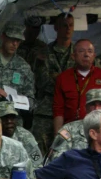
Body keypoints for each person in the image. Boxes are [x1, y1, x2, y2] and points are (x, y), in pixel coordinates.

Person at [52, 39, 101, 132]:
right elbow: (58, 109)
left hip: (99, 131)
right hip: (71, 130)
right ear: (73, 56)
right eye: (81, 51)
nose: (86, 54)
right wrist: (58, 135)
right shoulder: (63, 78)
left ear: (94, 56)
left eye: (90, 51)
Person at [32, 12, 76, 154]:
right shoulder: (44, 52)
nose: (68, 28)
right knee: (40, 151)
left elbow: (78, 83)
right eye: (64, 25)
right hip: (45, 110)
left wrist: (58, 78)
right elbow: (41, 81)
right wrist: (65, 79)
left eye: (71, 25)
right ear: (56, 28)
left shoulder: (79, 52)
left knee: (68, 150)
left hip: (70, 110)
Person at [46, 88, 101, 164]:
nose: (97, 108)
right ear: (86, 108)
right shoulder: (69, 130)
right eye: (92, 105)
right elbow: (56, 162)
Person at [0, 21, 35, 128]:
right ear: (3, 37)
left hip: (12, 124)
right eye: (12, 39)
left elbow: (31, 103)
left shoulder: (23, 67)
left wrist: (11, 98)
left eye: (18, 41)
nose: (15, 44)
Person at [0, 102, 42, 167]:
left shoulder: (24, 136)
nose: (9, 121)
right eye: (5, 118)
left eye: (12, 117)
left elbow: (37, 164)